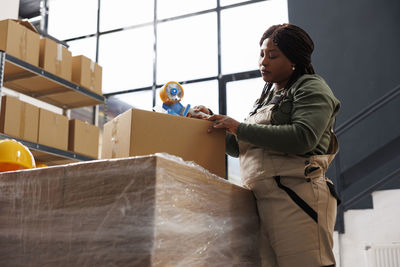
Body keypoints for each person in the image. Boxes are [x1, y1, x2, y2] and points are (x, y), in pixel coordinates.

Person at [193, 24, 341, 267]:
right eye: (261, 54)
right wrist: (213, 121)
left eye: (273, 56)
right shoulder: (266, 98)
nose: (263, 62)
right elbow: (238, 147)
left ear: (294, 59)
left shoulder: (311, 87)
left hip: (296, 196)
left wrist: (238, 127)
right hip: (262, 199)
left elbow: (303, 137)